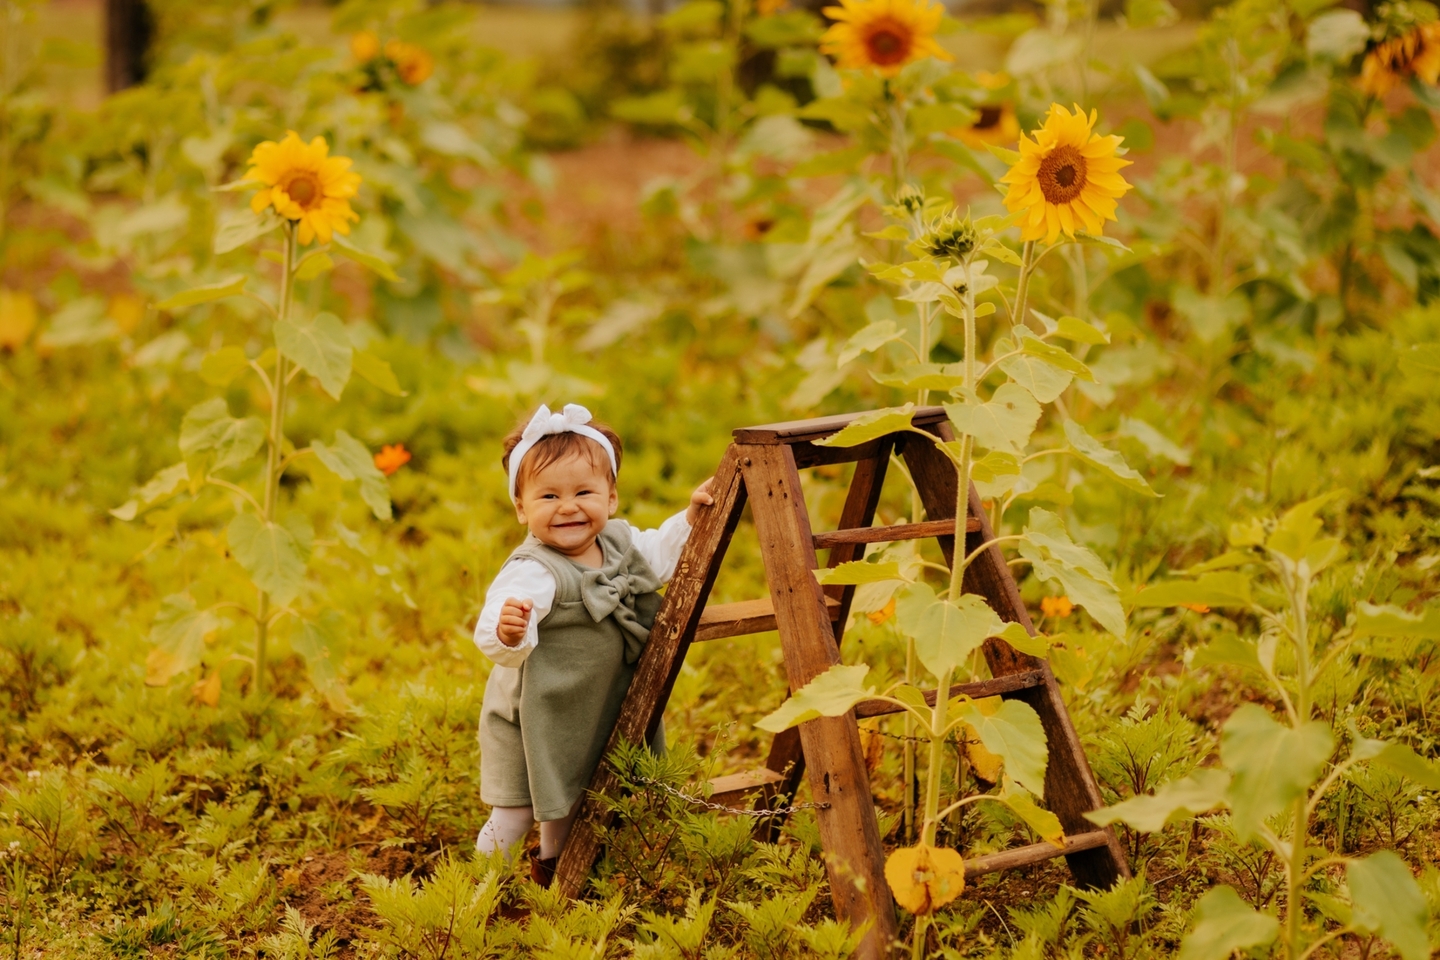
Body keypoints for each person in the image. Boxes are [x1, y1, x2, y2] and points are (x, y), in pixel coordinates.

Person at [472, 403, 714, 885]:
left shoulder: (622, 543)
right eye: (548, 496)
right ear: (521, 507)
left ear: (612, 496)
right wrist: (509, 628)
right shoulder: (534, 571)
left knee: (570, 807)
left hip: (589, 710)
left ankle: (561, 882)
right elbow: (500, 617)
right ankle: (478, 890)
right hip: (533, 719)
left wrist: (690, 516)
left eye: (584, 491)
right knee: (517, 813)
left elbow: (664, 556)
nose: (568, 506)